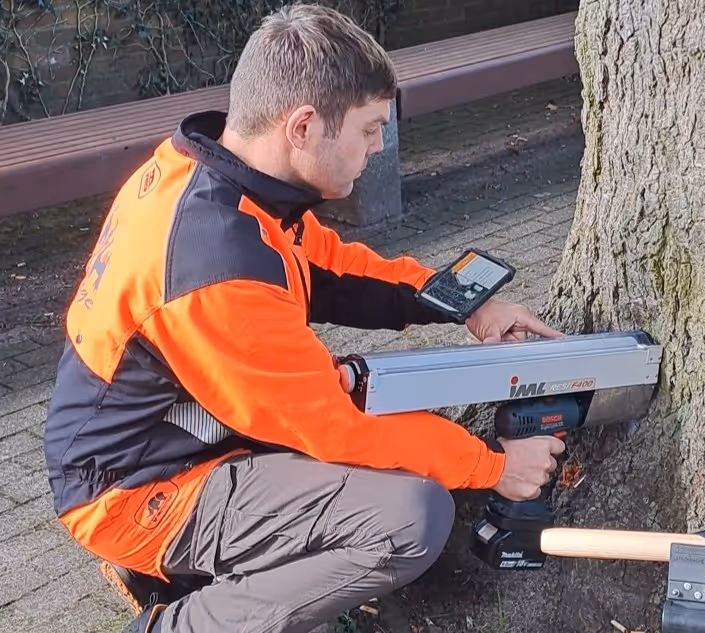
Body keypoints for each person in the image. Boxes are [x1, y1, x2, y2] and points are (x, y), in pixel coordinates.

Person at [41, 3, 566, 633]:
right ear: (304, 126)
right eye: (370, 129)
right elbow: (338, 430)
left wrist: (464, 303)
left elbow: (330, 267)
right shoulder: (218, 268)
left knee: (374, 415)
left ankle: (194, 568)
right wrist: (494, 466)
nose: (378, 147)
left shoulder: (216, 184)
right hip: (138, 491)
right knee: (409, 517)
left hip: (164, 439)